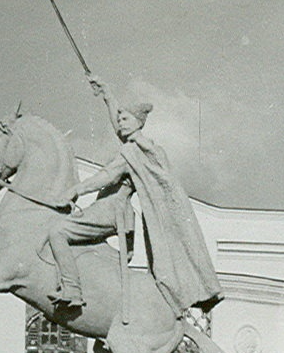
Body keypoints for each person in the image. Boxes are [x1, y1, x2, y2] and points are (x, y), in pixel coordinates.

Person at [52, 75, 223, 315]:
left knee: (57, 232)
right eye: (119, 119)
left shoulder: (132, 153)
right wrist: (107, 94)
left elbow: (107, 175)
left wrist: (75, 190)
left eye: (124, 119)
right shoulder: (142, 147)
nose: (120, 123)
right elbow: (118, 126)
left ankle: (72, 289)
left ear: (137, 123)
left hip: (111, 211)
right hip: (118, 212)